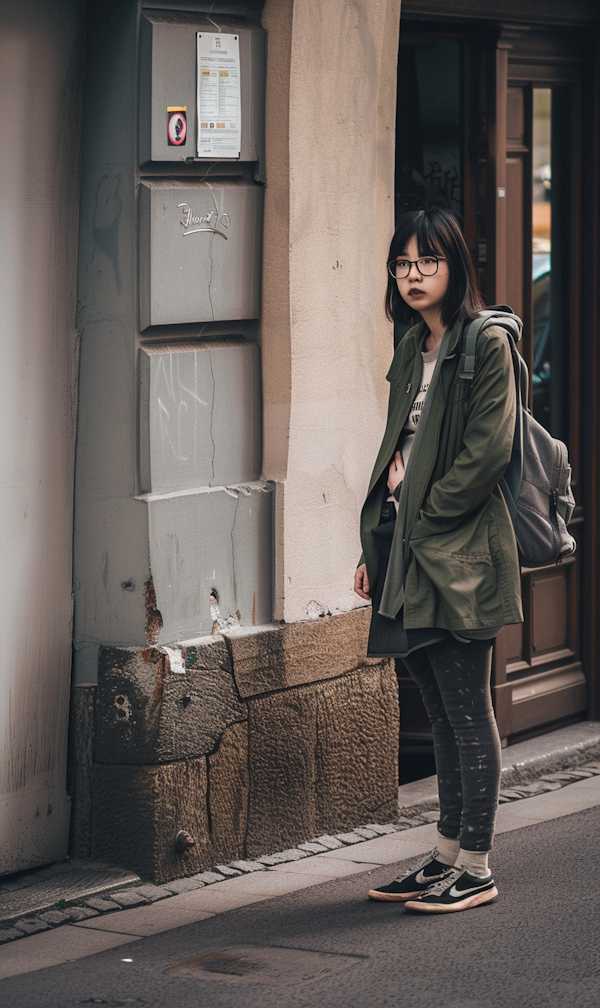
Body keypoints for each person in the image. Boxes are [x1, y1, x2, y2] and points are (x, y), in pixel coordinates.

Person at [354, 207, 523, 913]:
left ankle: (477, 866)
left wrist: (421, 519)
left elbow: (488, 452)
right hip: (407, 549)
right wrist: (373, 549)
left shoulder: (484, 343)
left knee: (465, 707)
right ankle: (445, 855)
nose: (414, 274)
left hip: (459, 552)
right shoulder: (409, 346)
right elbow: (395, 453)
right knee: (434, 702)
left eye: (428, 261)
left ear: (456, 267)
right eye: (402, 263)